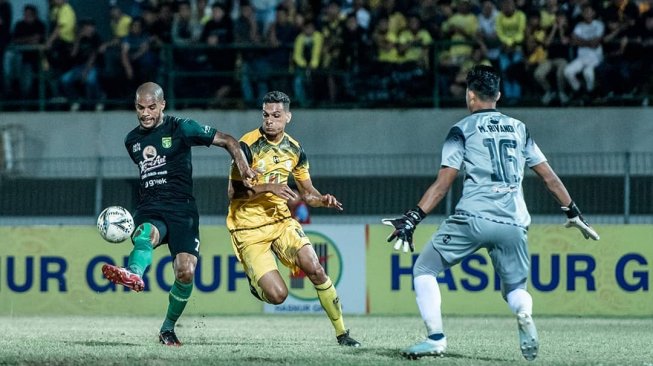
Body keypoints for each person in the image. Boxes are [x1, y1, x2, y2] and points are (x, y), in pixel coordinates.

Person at [382, 65, 599, 361]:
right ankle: (524, 314)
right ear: (497, 95)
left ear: (470, 96)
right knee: (515, 289)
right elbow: (550, 178)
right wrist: (573, 212)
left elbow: (443, 184)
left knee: (424, 269)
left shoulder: (462, 129)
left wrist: (413, 217)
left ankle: (435, 339)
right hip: (513, 222)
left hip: (473, 217)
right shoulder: (520, 128)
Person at [101, 82, 257, 346]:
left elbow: (229, 140)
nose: (146, 113)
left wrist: (244, 168)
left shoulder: (181, 127)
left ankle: (167, 329)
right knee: (145, 234)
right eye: (140, 108)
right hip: (150, 207)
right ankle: (134, 272)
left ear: (162, 105)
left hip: (183, 209)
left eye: (151, 107)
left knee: (185, 272)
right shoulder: (132, 141)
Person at [226, 90, 360, 347]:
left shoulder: (295, 149)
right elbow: (234, 192)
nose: (269, 120)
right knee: (278, 296)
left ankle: (342, 333)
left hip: (281, 221)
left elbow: (307, 193)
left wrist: (322, 200)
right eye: (266, 115)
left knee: (315, 267)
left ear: (288, 116)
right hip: (248, 227)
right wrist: (269, 187)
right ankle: (258, 284)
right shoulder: (246, 146)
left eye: (276, 115)